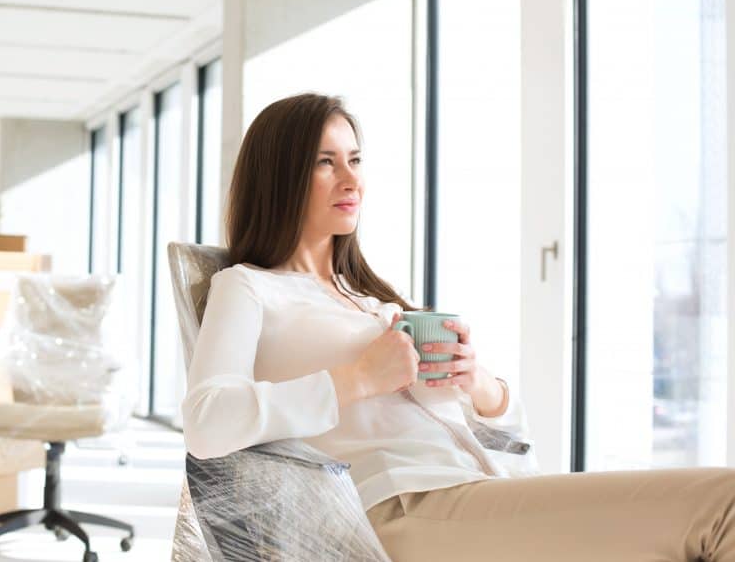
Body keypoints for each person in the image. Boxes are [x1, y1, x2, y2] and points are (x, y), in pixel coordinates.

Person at [181, 93, 735, 562]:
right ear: (281, 176)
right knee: (722, 505)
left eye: (355, 158)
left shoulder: (371, 300)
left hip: (478, 488)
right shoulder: (248, 287)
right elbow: (206, 424)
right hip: (404, 507)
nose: (351, 178)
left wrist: (479, 385)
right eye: (326, 162)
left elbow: (502, 431)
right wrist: (358, 378)